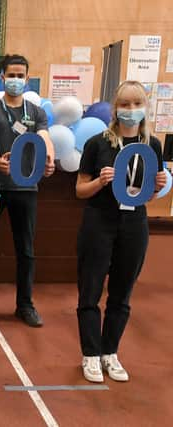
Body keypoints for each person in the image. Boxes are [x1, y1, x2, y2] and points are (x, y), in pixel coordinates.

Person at [75, 81, 166, 383]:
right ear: (115, 108)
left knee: (122, 293)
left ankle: (109, 352)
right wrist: (100, 182)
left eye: (136, 104)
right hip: (99, 222)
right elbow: (80, 191)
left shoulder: (152, 145)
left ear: (145, 107)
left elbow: (146, 195)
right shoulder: (97, 144)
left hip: (135, 224)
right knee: (90, 289)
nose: (130, 110)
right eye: (125, 105)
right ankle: (89, 354)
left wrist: (156, 189)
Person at [0, 54, 55, 327]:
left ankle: (25, 305)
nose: (15, 80)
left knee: (26, 250)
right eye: (11, 75)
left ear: (27, 77)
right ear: (2, 78)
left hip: (27, 188)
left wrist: (49, 158)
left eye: (20, 75)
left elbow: (45, 137)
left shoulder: (36, 112)